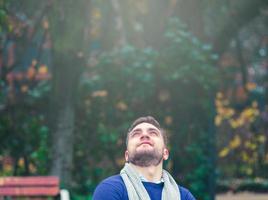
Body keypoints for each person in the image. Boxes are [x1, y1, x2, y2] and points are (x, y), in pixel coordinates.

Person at [93, 116, 196, 200]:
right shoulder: (111, 189)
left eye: (153, 133)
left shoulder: (184, 196)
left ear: (165, 153)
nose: (145, 135)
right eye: (136, 134)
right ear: (126, 155)